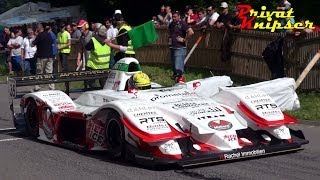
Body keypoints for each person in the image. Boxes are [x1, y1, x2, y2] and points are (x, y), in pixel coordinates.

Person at [168, 11, 194, 80]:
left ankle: (181, 80)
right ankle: (176, 79)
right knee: (174, 65)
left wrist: (184, 39)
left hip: (180, 47)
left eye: (175, 17)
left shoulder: (183, 23)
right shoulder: (172, 24)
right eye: (172, 17)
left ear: (179, 16)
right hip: (173, 47)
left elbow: (191, 32)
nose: (173, 18)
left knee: (178, 66)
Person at [32, 23, 54, 91]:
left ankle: (37, 87)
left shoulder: (39, 35)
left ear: (37, 29)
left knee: (39, 72)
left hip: (41, 56)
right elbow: (52, 43)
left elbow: (32, 44)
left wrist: (35, 36)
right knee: (49, 72)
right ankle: (51, 87)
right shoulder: (48, 34)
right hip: (50, 56)